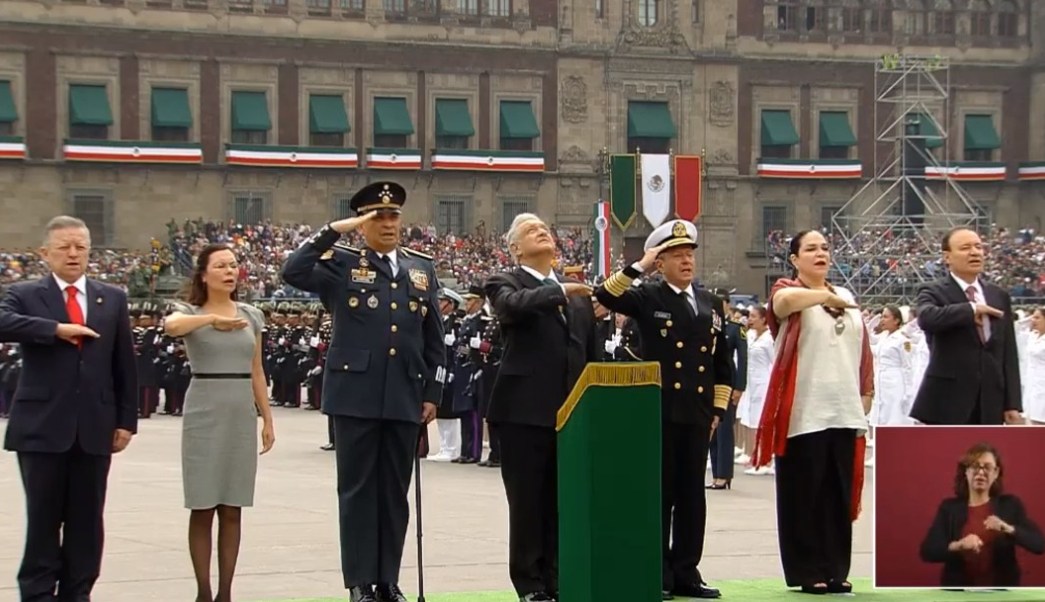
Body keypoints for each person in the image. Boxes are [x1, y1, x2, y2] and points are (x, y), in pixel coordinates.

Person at [281, 181, 444, 602]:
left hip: (405, 394)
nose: (388, 224)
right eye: (377, 217)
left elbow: (434, 339)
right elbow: (293, 271)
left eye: (393, 216)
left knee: (394, 494)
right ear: (363, 223)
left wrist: (433, 393)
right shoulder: (341, 263)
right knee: (356, 492)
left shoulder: (421, 268)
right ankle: (359, 583)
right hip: (355, 392)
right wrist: (335, 229)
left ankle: (388, 580)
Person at [0, 215, 138, 602]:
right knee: (43, 520)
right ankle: (38, 594)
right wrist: (55, 330)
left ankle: (78, 593)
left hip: (95, 427)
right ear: (45, 253)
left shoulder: (111, 297)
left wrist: (126, 420)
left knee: (86, 522)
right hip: (42, 428)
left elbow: (123, 362)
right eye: (64, 247)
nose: (73, 254)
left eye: (80, 246)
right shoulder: (26, 294)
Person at [596, 219, 732, 600]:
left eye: (690, 254)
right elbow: (605, 295)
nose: (687, 261)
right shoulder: (649, 296)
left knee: (693, 496)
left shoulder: (710, 303)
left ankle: (687, 571)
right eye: (676, 256)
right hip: (660, 410)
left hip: (698, 411)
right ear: (661, 262)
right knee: (661, 494)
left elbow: (722, 362)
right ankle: (657, 572)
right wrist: (640, 265)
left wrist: (717, 410)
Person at [751, 229, 873, 595]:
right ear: (794, 259)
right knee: (804, 493)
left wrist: (866, 392)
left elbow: (861, 351)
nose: (820, 253)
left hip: (844, 408)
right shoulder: (787, 293)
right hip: (804, 410)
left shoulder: (846, 295)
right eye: (811, 249)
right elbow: (785, 303)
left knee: (837, 494)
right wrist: (824, 294)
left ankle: (836, 567)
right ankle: (806, 569)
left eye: (824, 248)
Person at [484, 212, 599, 602]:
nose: (543, 232)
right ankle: (530, 582)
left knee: (563, 500)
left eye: (545, 228)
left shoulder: (577, 298)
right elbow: (512, 307)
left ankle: (558, 576)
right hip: (523, 413)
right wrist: (561, 292)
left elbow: (591, 356)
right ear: (515, 248)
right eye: (532, 231)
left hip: (572, 414)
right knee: (528, 501)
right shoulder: (505, 282)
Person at [164, 243, 276, 602]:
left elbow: (257, 370)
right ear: (203, 274)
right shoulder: (189, 311)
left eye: (234, 265)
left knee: (232, 506)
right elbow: (172, 327)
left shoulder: (251, 314)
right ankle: (203, 591)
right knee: (203, 505)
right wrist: (211, 319)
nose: (230, 271)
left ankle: (226, 592)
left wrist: (267, 418)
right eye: (221, 266)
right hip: (204, 409)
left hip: (239, 409)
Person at [911, 227, 1022, 425]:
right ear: (947, 257)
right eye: (965, 248)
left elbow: (1008, 354)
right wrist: (970, 310)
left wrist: (1012, 404)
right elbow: (927, 318)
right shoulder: (933, 290)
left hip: (991, 401)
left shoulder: (998, 296)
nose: (974, 252)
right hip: (947, 400)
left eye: (978, 247)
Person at [919, 442, 1044, 587]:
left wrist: (1007, 528)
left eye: (987, 467)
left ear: (996, 473)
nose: (981, 472)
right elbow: (928, 551)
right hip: (960, 594)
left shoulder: (1010, 505)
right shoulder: (949, 508)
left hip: (1001, 594)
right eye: (974, 466)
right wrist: (959, 545)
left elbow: (1038, 545)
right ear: (966, 471)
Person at [708, 288, 746, 490]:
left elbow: (743, 359)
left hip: (727, 382)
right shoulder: (710, 325)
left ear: (727, 304)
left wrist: (739, 387)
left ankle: (725, 474)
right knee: (712, 432)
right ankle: (716, 474)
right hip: (710, 380)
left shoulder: (734, 328)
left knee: (724, 432)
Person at [737, 305, 774, 475]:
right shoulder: (750, 336)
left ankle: (766, 459)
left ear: (764, 319)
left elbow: (774, 363)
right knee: (751, 419)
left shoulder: (769, 338)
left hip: (764, 382)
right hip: (751, 383)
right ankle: (754, 456)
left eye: (753, 316)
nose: (750, 319)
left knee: (763, 421)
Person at [870, 305, 915, 426]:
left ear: (896, 320)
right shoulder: (884, 337)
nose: (882, 320)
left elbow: (908, 367)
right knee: (882, 414)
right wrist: (869, 326)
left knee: (894, 414)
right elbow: (872, 347)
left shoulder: (903, 340)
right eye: (881, 317)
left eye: (885, 317)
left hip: (896, 382)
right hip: (881, 380)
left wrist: (908, 392)